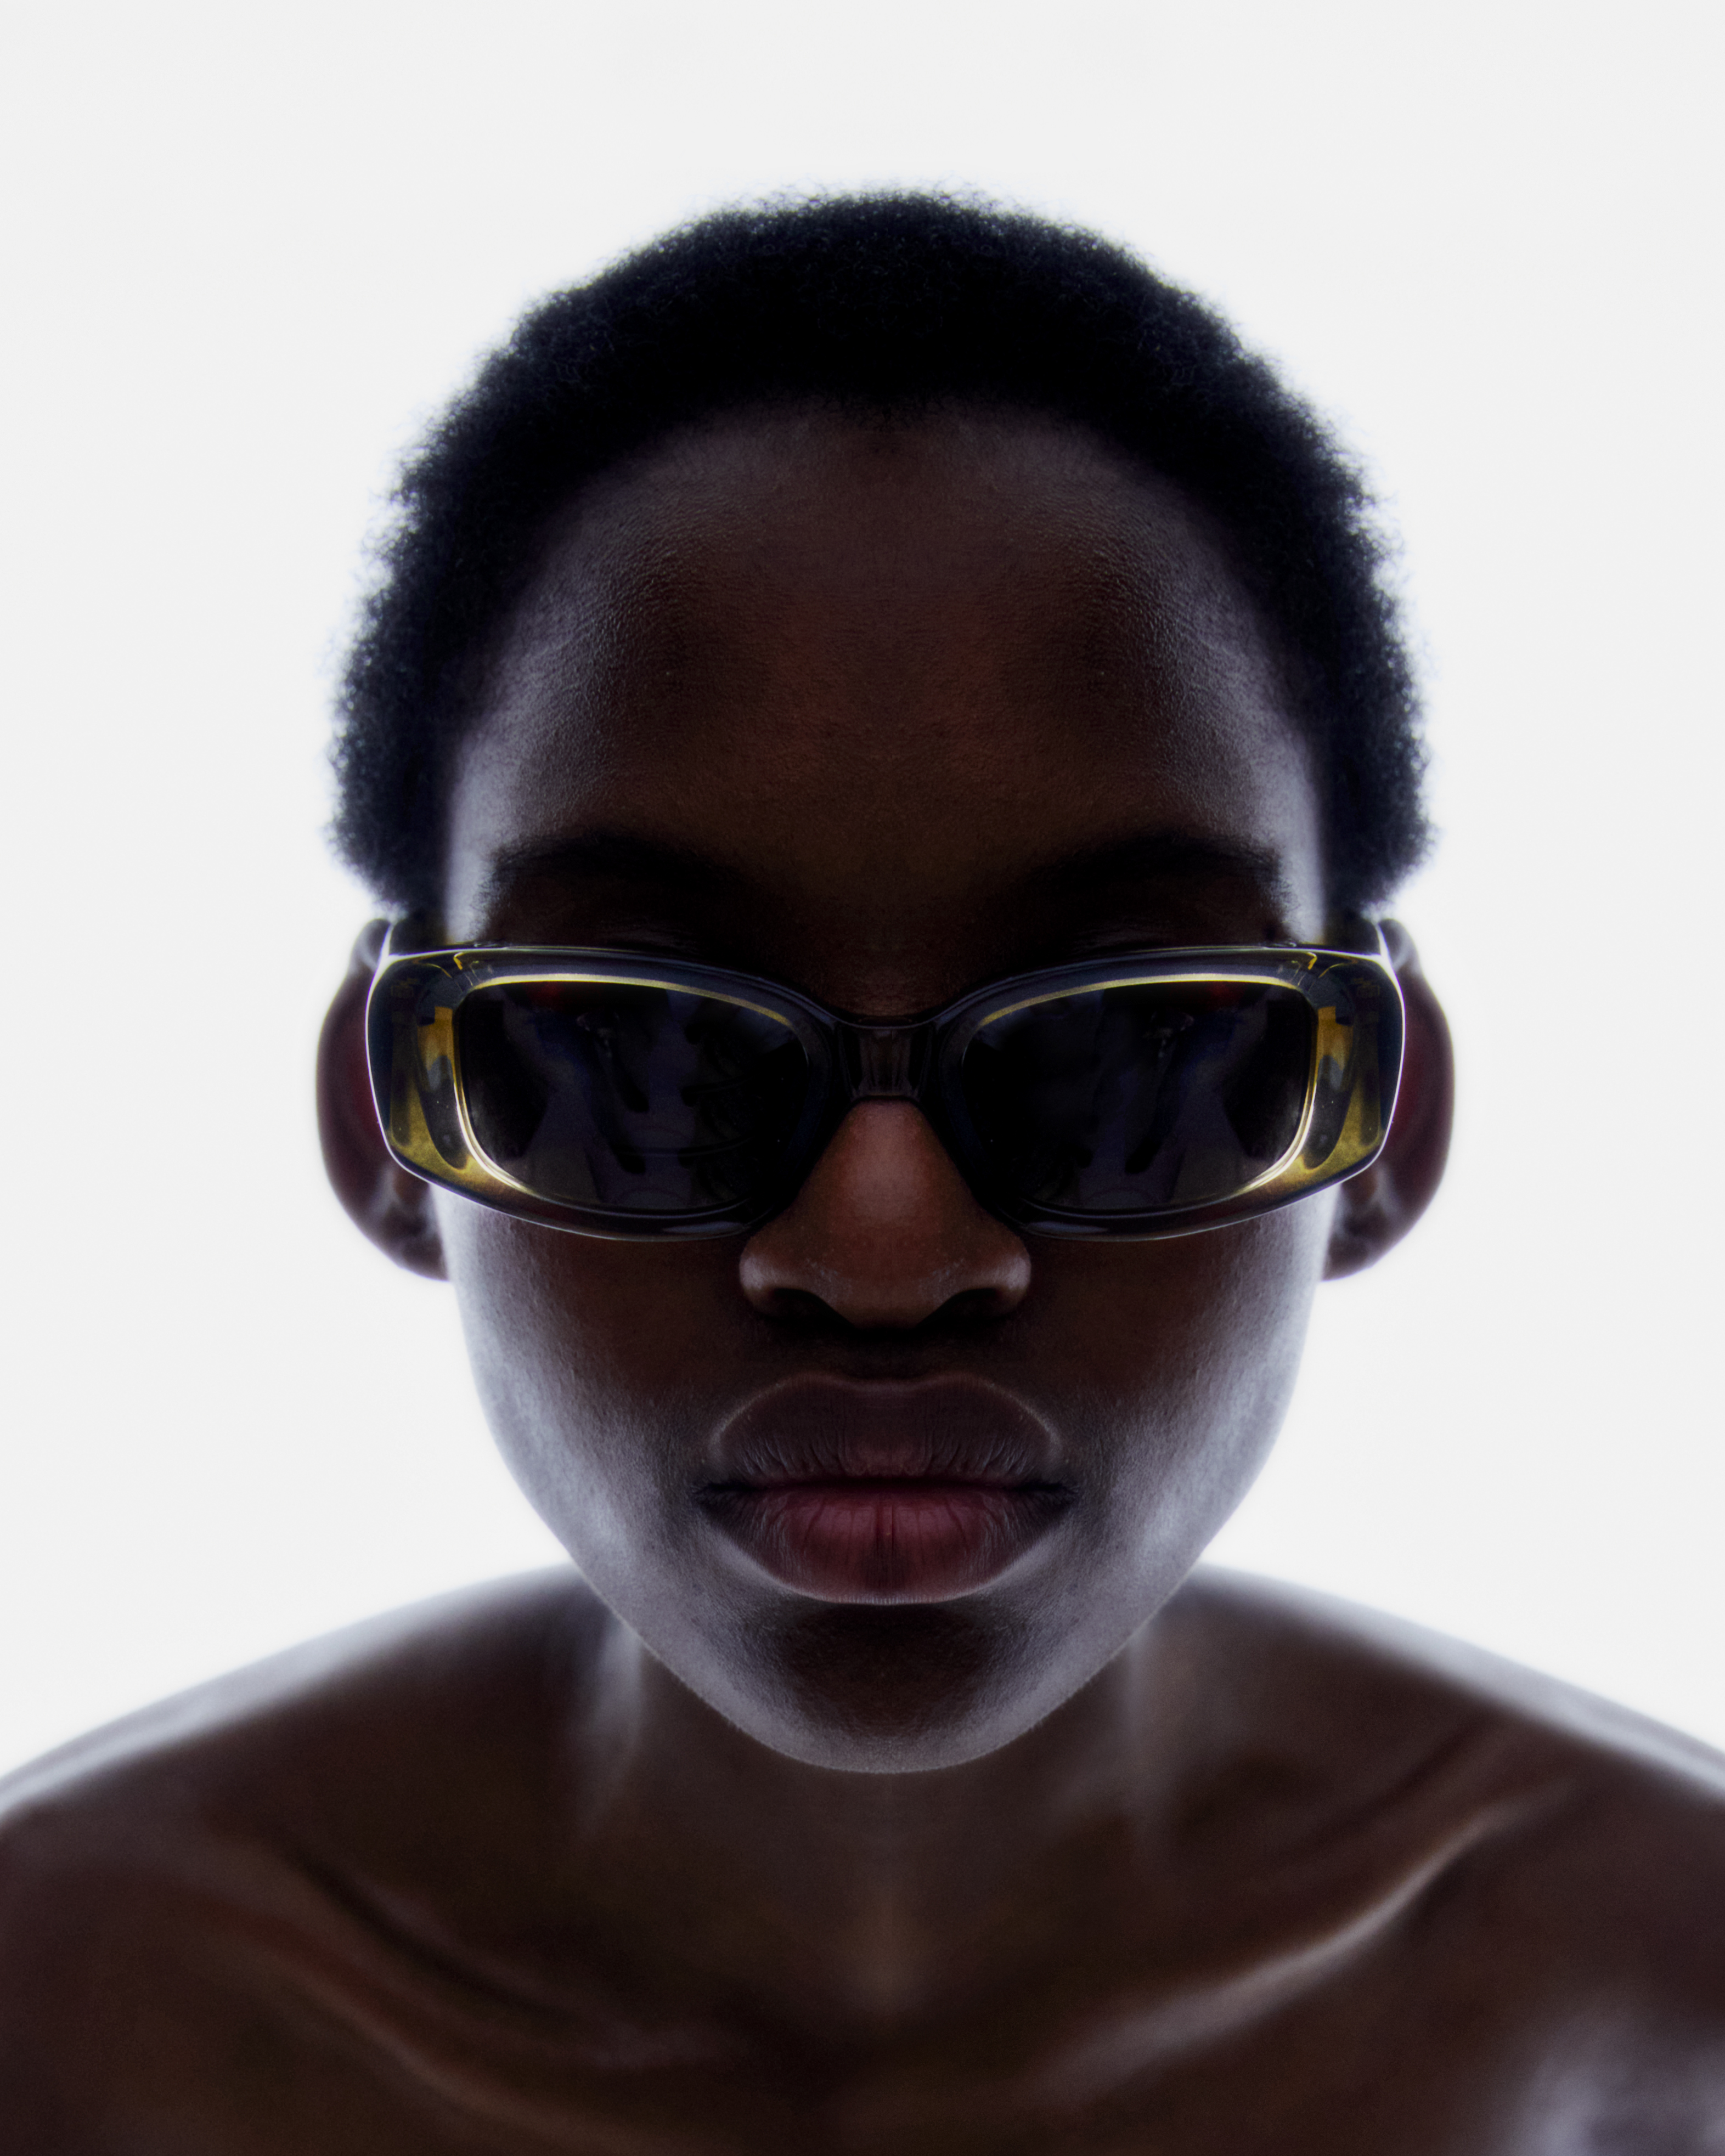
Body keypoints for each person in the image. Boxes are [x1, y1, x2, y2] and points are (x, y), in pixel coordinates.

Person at [3, 193, 1722, 2152]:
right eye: (638, 1048)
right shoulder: (55, 2024)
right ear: (386, 1119)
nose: (883, 1251)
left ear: (1384, 1123)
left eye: (1132, 1046)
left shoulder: (1675, 2008)